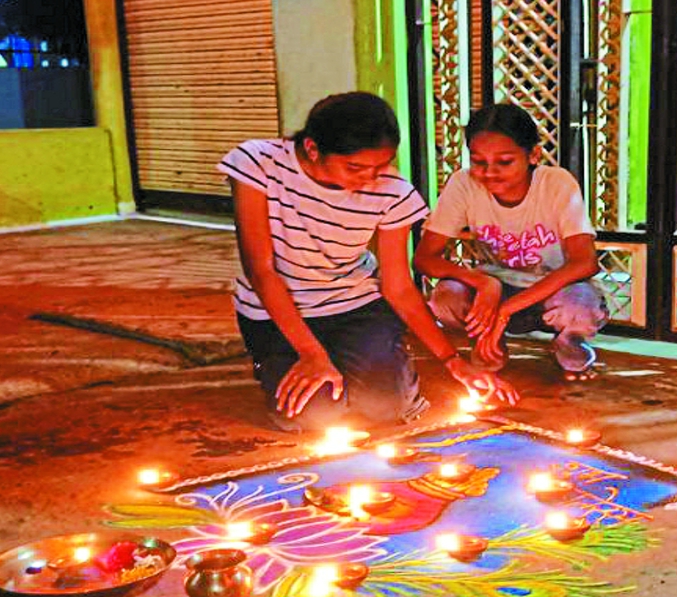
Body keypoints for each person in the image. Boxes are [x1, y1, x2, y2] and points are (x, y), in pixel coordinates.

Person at [218, 91, 518, 432]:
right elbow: (262, 269)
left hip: (354, 307)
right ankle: (278, 364)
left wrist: (454, 362)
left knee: (386, 406)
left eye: (381, 166)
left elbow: (398, 287)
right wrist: (311, 354)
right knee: (316, 415)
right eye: (355, 167)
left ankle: (363, 362)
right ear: (314, 149)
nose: (369, 180)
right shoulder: (258, 164)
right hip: (274, 313)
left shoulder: (393, 192)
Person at [413, 103, 609, 381]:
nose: (489, 172)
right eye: (479, 161)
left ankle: (570, 345)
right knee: (446, 296)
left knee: (578, 304)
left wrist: (505, 311)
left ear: (533, 155)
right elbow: (424, 258)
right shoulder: (463, 184)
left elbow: (584, 262)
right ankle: (490, 347)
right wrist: (484, 283)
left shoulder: (556, 184)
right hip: (495, 290)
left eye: (504, 162)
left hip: (553, 292)